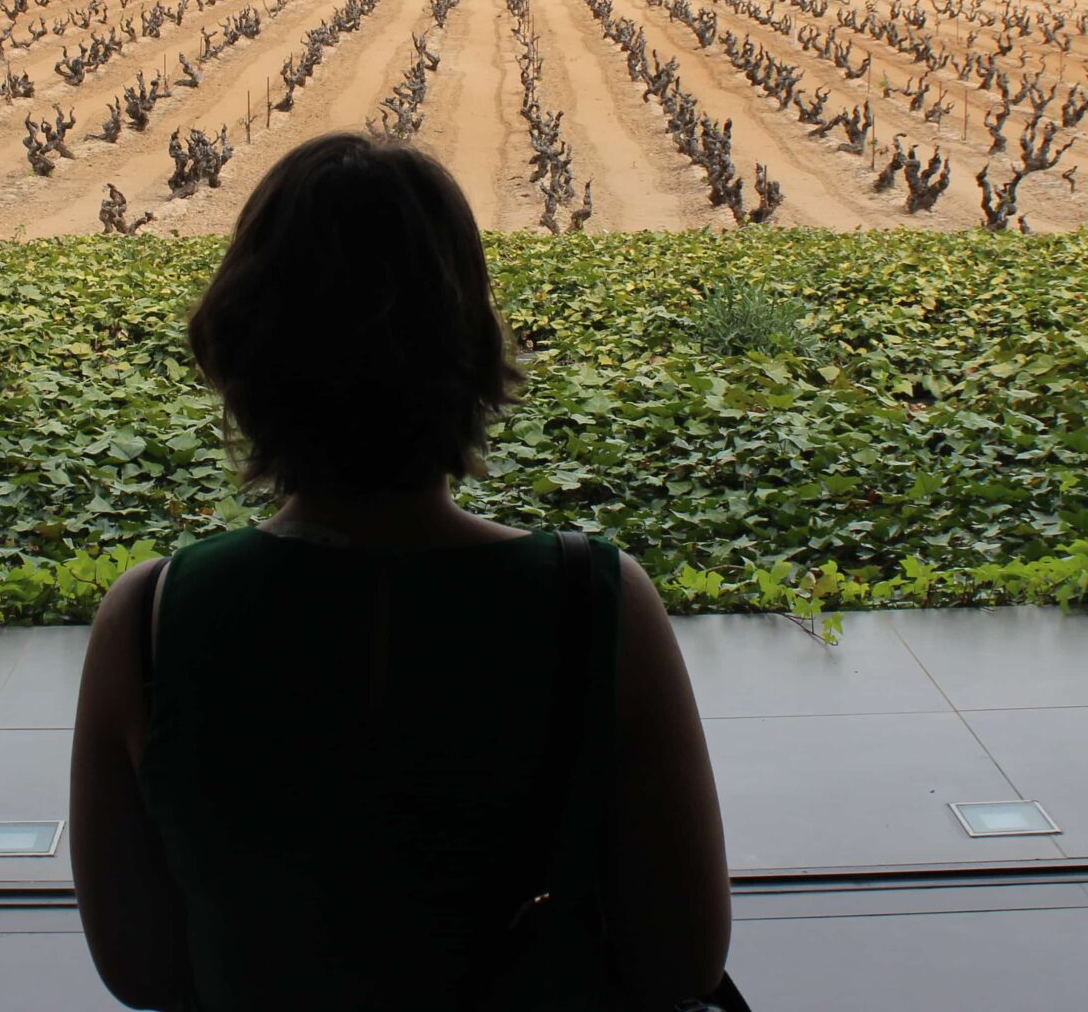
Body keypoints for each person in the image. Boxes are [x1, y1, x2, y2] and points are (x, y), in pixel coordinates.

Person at [72, 132, 730, 1010]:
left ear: (239, 350)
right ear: (470, 346)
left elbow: (142, 971)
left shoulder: (149, 620)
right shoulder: (599, 600)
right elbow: (680, 961)